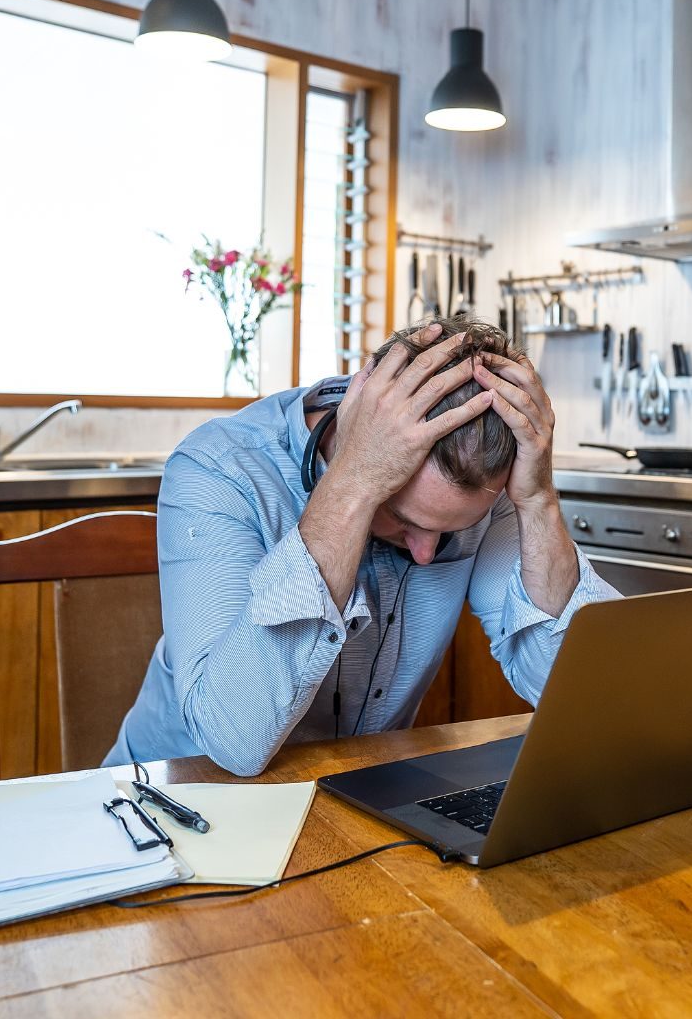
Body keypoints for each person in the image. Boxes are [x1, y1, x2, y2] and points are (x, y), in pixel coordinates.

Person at [107, 317, 620, 775]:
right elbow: (235, 741)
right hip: (173, 802)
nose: (426, 553)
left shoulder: (483, 489)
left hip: (351, 800)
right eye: (402, 517)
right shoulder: (220, 467)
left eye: (445, 533)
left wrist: (537, 501)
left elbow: (586, 697)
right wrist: (355, 482)